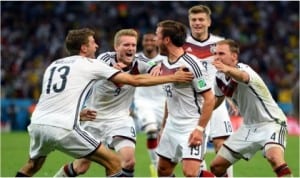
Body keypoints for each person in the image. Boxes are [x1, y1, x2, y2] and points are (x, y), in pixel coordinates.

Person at [16, 28, 194, 177]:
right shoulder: (99, 62)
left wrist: (158, 68)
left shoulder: (55, 64)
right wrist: (174, 77)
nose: (97, 45)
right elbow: (136, 81)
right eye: (126, 45)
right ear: (116, 47)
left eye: (133, 45)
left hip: (114, 120)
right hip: (92, 120)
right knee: (92, 165)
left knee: (128, 161)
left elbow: (58, 96)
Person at [210, 39, 292, 177]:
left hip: (271, 122)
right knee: (216, 167)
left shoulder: (244, 69)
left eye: (222, 53)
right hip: (248, 127)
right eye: (216, 53)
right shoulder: (219, 77)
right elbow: (217, 100)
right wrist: (201, 113)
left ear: (234, 56)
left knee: (274, 158)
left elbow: (243, 77)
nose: (217, 57)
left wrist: (227, 69)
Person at [155, 20, 215, 177]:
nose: (155, 40)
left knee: (190, 173)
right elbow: (170, 97)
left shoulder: (191, 64)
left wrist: (199, 129)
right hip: (172, 125)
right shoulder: (163, 62)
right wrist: (163, 127)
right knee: (163, 170)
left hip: (191, 125)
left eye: (157, 36)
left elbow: (209, 99)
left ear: (166, 40)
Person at [182, 5, 234, 176]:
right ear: (189, 22)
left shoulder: (220, 44)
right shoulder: (182, 45)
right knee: (198, 152)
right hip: (193, 105)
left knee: (222, 147)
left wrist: (231, 97)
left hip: (217, 102)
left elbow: (229, 72)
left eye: (201, 19)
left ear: (209, 21)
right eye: (194, 20)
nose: (197, 23)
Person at [132, 31, 166, 176]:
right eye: (146, 40)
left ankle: (162, 165)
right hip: (143, 101)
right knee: (151, 131)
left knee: (163, 136)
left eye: (152, 40)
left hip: (163, 102)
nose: (149, 43)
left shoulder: (165, 59)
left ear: (158, 42)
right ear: (142, 42)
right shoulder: (135, 58)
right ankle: (155, 165)